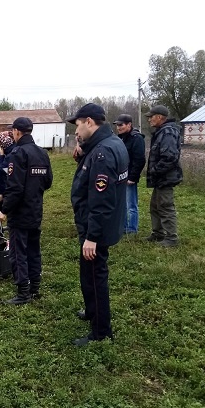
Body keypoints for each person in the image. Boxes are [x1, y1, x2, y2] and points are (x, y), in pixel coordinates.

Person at [67, 103, 129, 346]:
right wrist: (83, 155)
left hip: (97, 229)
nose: (76, 131)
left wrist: (92, 236)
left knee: (95, 277)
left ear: (90, 122)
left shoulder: (102, 153)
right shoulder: (112, 144)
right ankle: (92, 311)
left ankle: (101, 332)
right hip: (104, 225)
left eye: (78, 125)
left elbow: (101, 200)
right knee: (88, 274)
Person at [0, 117, 53, 305]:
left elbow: (15, 188)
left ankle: (23, 293)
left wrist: (4, 210)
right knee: (33, 249)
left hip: (20, 213)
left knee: (18, 252)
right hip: (36, 210)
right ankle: (35, 287)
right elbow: (48, 182)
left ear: (17, 132)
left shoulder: (17, 153)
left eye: (13, 131)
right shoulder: (42, 153)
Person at [145, 105, 183, 247]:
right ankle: (158, 233)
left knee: (166, 207)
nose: (149, 119)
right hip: (161, 178)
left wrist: (155, 170)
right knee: (155, 206)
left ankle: (171, 238)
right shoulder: (162, 131)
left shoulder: (168, 132)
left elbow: (170, 157)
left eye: (151, 116)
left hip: (165, 178)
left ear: (160, 117)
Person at [113, 114, 146, 233]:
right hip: (120, 176)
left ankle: (132, 228)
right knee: (122, 203)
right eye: (117, 125)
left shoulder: (136, 138)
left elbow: (140, 160)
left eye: (121, 125)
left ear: (129, 125)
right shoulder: (120, 138)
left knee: (131, 204)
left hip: (129, 177)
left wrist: (133, 177)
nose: (119, 127)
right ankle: (124, 226)